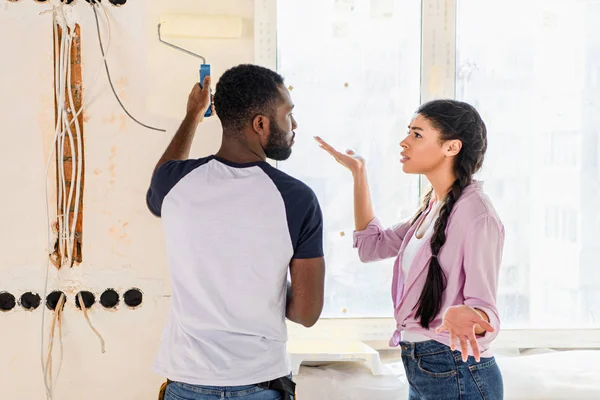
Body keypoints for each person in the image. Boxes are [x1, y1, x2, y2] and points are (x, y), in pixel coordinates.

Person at [147, 64, 326, 400]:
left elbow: (158, 187)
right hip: (259, 380)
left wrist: (193, 115)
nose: (294, 125)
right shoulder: (296, 199)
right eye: (288, 114)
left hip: (188, 380)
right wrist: (261, 283)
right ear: (260, 124)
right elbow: (306, 312)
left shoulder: (174, 185)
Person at [316, 99, 504, 400]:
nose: (404, 142)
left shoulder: (476, 214)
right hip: (426, 368)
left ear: (451, 147)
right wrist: (359, 173)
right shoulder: (434, 206)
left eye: (417, 134)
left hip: (456, 369)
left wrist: (471, 316)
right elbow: (372, 247)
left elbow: (486, 311)